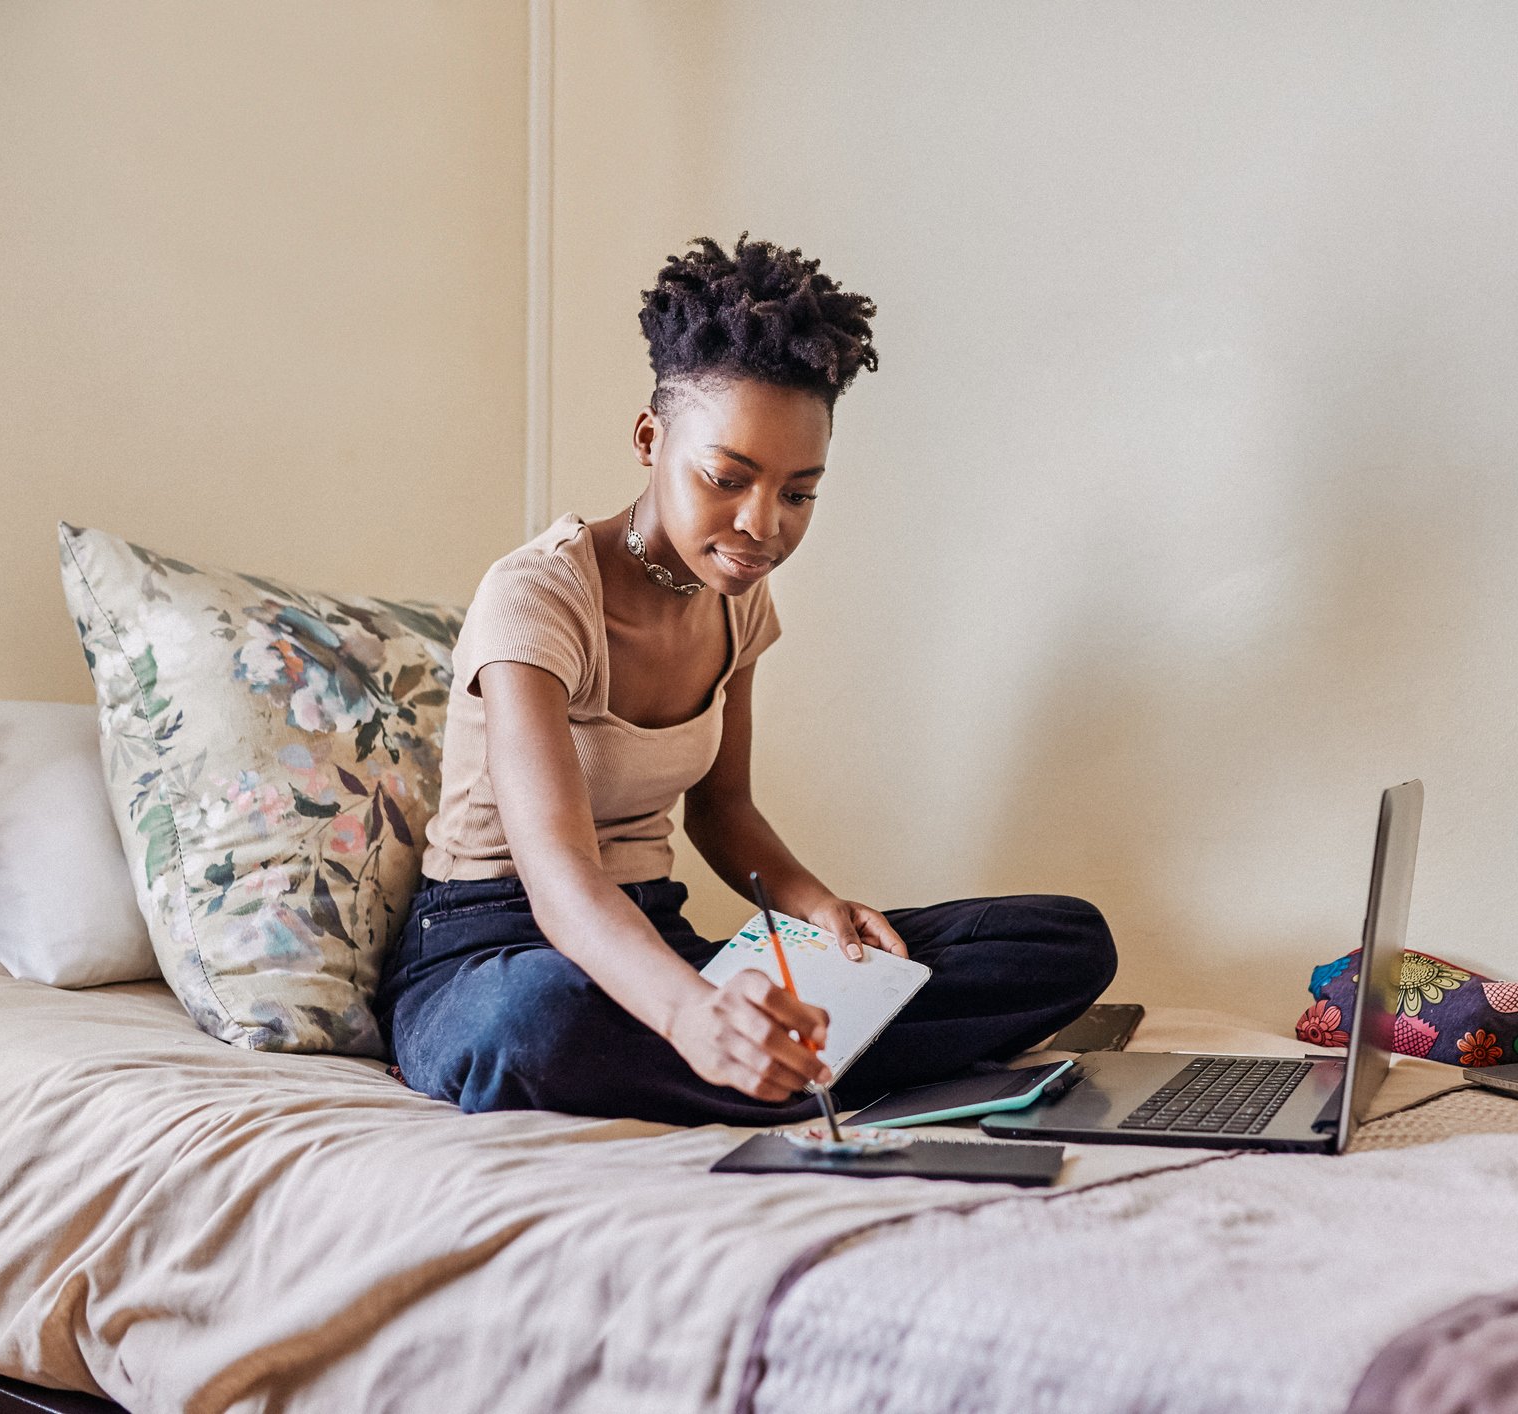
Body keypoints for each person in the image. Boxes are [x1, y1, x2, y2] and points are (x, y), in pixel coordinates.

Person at [376, 236, 1116, 1125]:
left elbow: (722, 810)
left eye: (798, 493)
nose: (762, 525)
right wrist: (691, 1011)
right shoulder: (535, 598)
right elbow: (561, 881)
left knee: (1059, 940)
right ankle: (823, 1070)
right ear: (650, 440)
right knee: (540, 1022)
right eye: (727, 478)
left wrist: (817, 908)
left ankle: (771, 1062)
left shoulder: (738, 607)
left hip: (658, 936)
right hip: (493, 953)